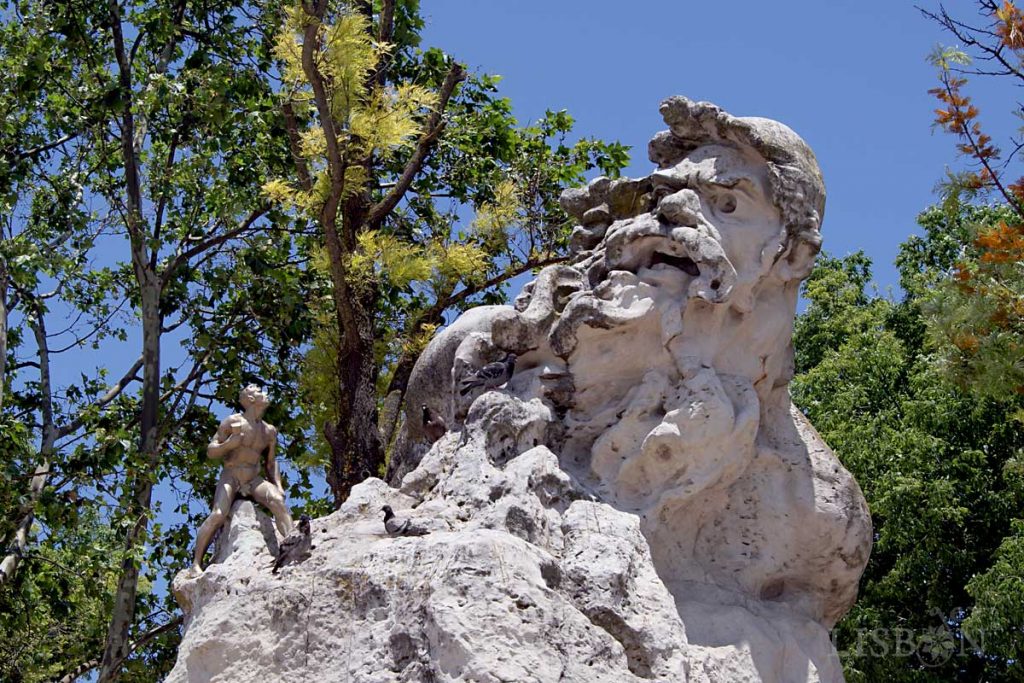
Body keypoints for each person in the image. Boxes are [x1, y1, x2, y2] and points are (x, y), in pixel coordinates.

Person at [191, 384, 294, 572]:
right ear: (252, 399)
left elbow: (271, 464)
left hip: (253, 478)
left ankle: (292, 546)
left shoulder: (269, 431)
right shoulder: (232, 422)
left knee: (278, 501)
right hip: (231, 475)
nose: (266, 395)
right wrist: (229, 444)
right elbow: (211, 451)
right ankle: (196, 563)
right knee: (218, 514)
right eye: (261, 392)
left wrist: (278, 485)